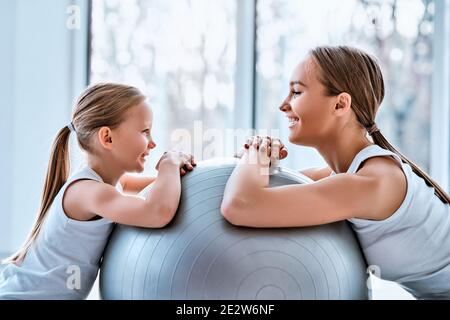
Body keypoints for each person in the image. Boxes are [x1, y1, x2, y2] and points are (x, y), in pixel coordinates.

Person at [221, 46, 450, 299]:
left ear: (340, 104)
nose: (283, 105)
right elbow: (264, 188)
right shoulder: (346, 176)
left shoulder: (373, 182)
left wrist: (257, 151)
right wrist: (257, 158)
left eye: (296, 92)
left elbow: (240, 205)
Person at [0, 83, 196, 299]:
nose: (152, 143)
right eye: (145, 132)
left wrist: (185, 171)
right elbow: (158, 212)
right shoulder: (87, 193)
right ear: (107, 138)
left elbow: (159, 187)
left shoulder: (109, 185)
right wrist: (169, 163)